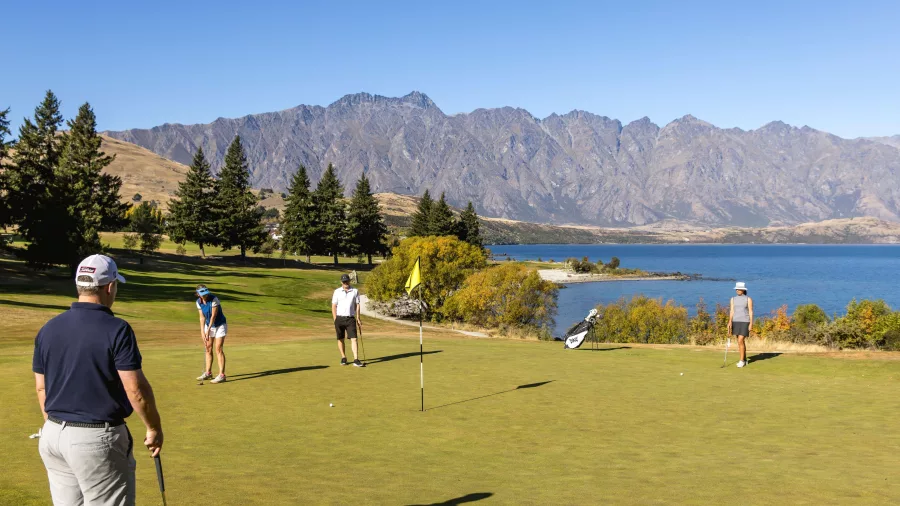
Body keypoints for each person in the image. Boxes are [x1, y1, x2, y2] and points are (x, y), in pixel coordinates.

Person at [33, 254, 163, 506]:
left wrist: (60, 428)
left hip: (52, 436)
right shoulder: (117, 328)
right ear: (110, 287)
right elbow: (135, 389)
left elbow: (41, 388)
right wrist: (154, 428)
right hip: (96, 439)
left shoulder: (48, 328)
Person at [195, 284, 227, 383]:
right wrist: (202, 332)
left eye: (206, 294)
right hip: (208, 326)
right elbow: (202, 317)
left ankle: (222, 375)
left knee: (218, 348)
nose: (205, 296)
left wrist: (208, 330)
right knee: (208, 348)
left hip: (220, 325)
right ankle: (208, 373)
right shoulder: (198, 302)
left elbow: (213, 316)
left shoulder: (214, 299)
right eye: (203, 294)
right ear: (198, 294)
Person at [332, 273, 364, 367]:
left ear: (349, 281)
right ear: (341, 282)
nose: (345, 283)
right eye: (344, 281)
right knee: (340, 338)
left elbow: (357, 304)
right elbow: (334, 306)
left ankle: (356, 359)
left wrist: (358, 317)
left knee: (354, 338)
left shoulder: (355, 291)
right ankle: (343, 357)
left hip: (350, 318)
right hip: (339, 318)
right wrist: (335, 319)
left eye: (347, 281)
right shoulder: (337, 291)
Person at [728, 281, 754, 368]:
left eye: (739, 289)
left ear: (743, 290)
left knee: (740, 340)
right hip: (736, 321)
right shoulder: (733, 299)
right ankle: (745, 359)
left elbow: (750, 311)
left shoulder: (748, 299)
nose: (738, 290)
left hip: (745, 321)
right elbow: (732, 311)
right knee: (740, 342)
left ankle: (742, 361)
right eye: (737, 289)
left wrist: (751, 323)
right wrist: (729, 322)